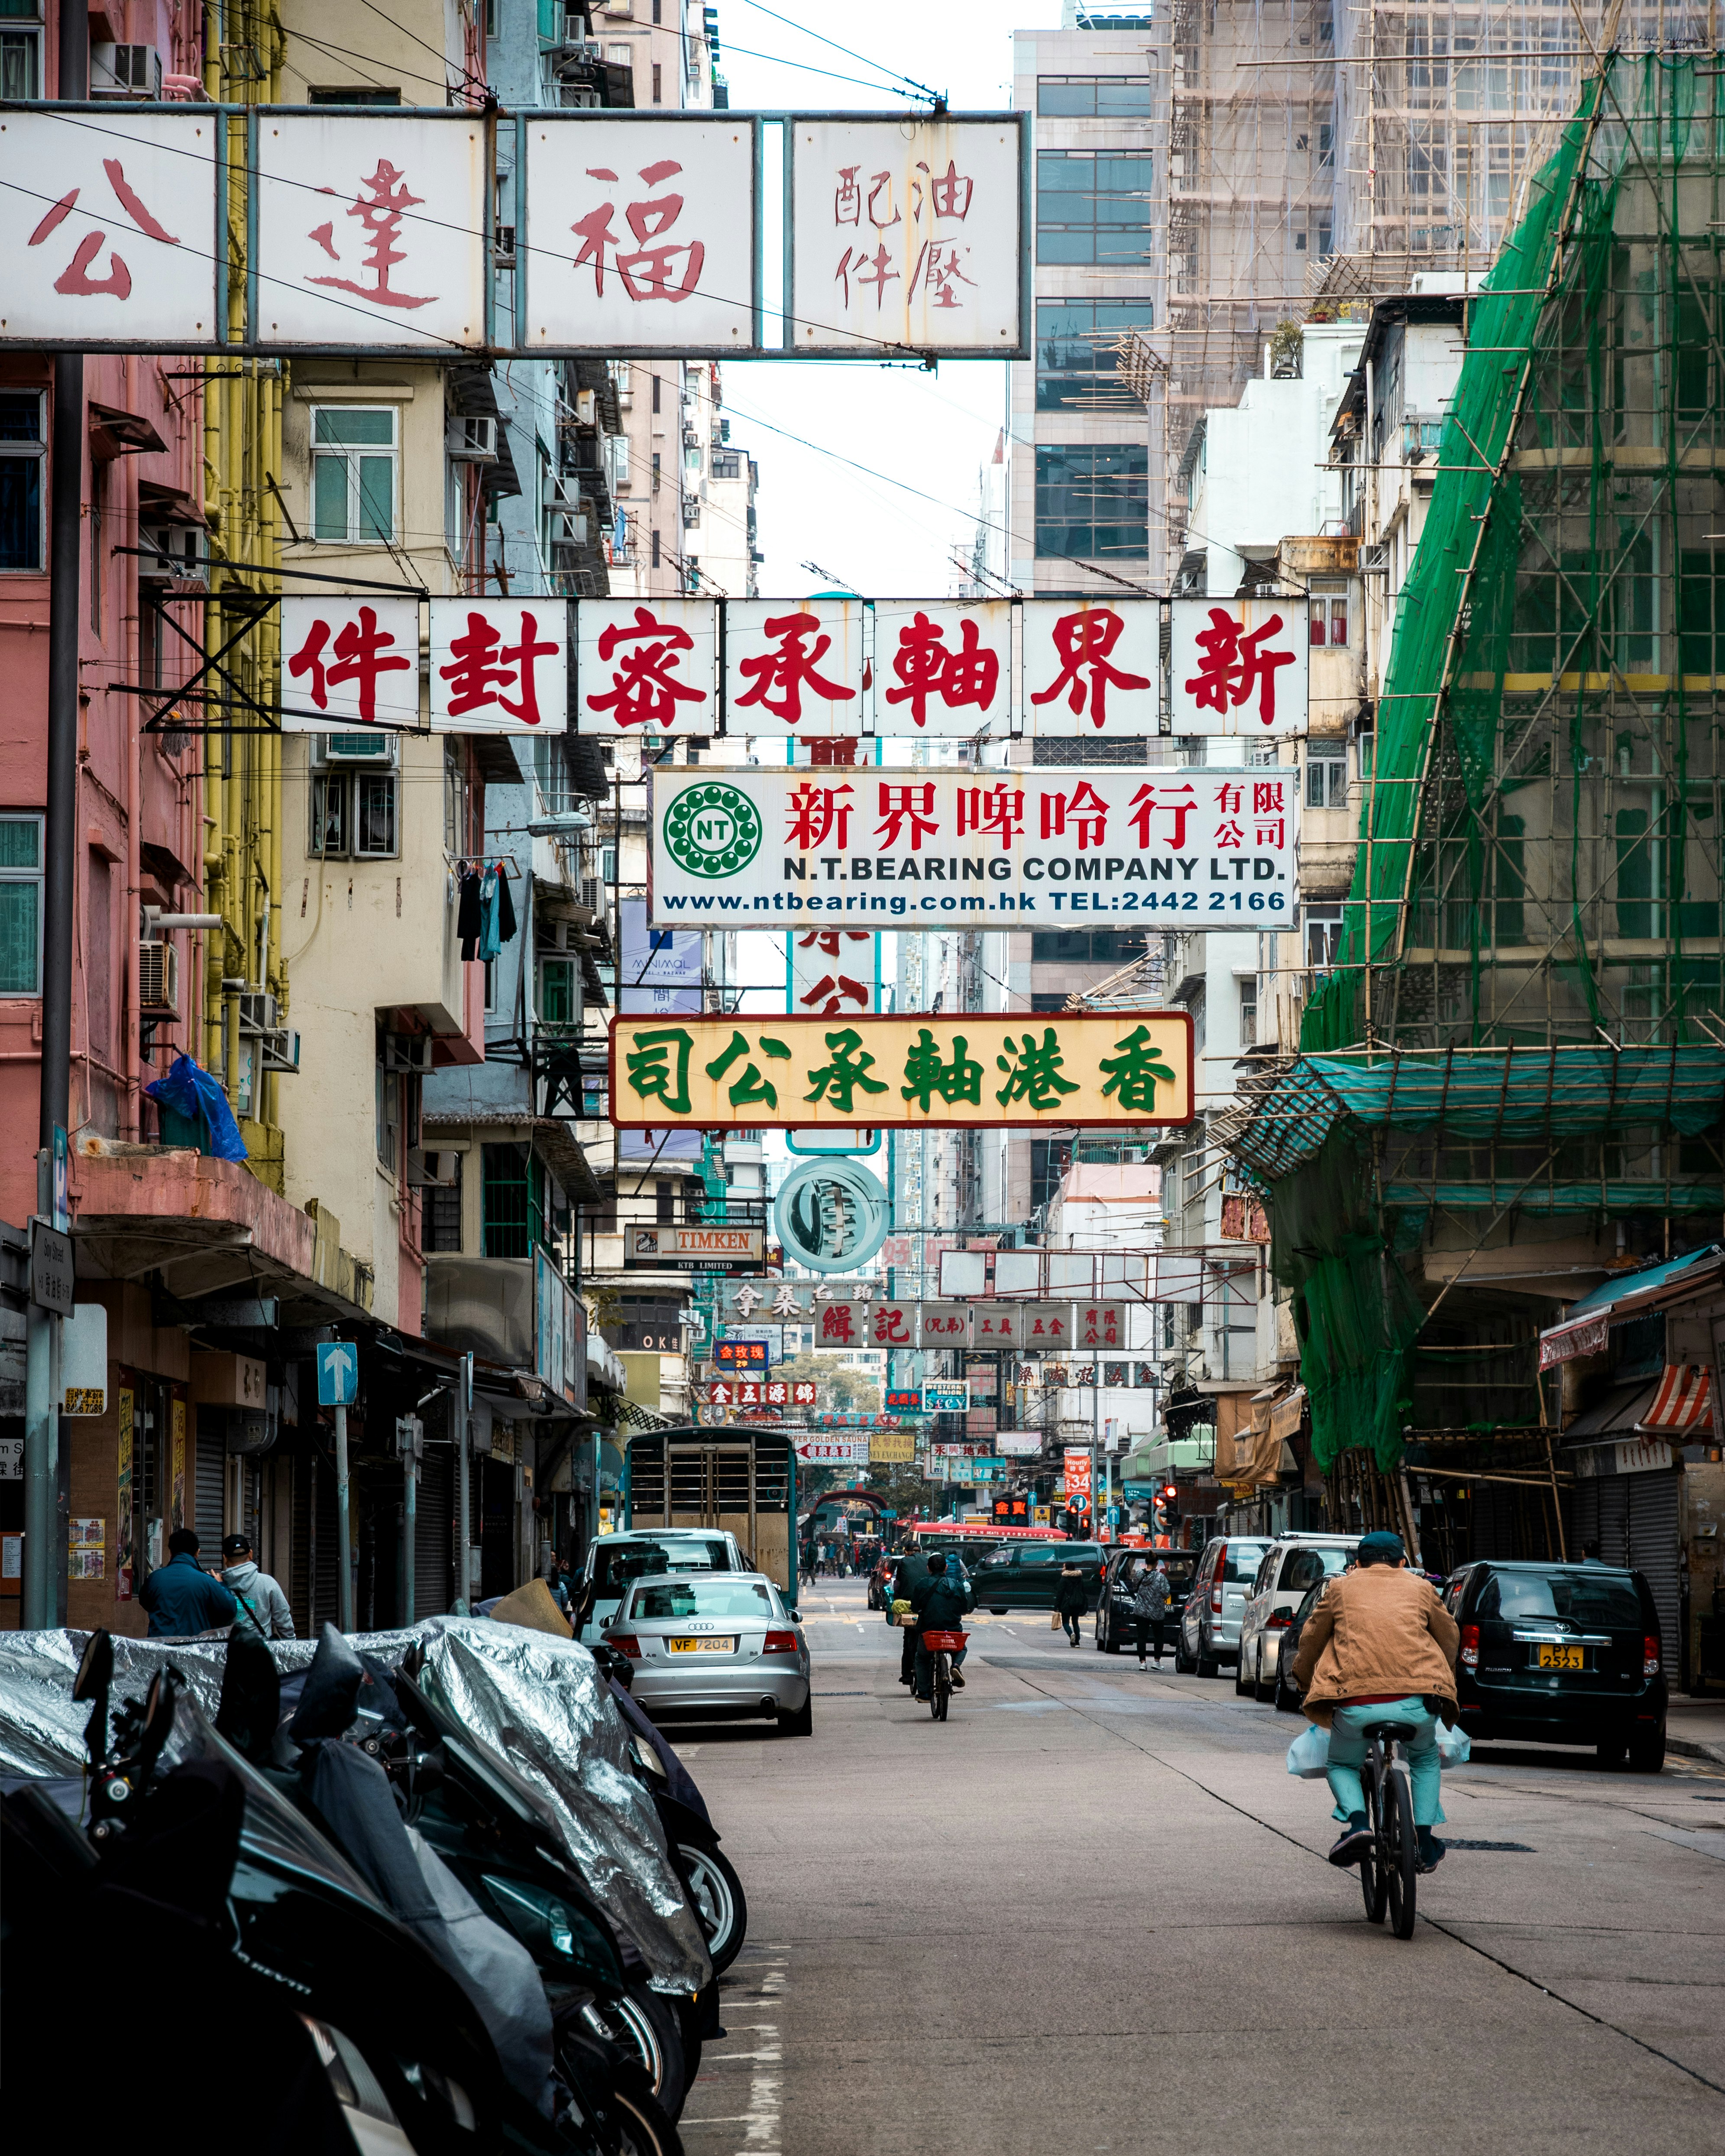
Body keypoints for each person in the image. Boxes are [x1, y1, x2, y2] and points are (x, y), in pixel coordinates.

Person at [1289, 1528, 1460, 1876]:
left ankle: (1357, 1825)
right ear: (1401, 1562)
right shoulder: (1421, 1587)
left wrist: (1304, 1682)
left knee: (1341, 1764)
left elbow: (1311, 1639)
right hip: (1416, 1703)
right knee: (1425, 1760)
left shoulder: (1339, 1588)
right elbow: (1448, 1636)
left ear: (1357, 1562)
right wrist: (1443, 1677)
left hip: (1355, 1703)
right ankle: (1424, 1841)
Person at [141, 1528, 239, 1640]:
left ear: (171, 1552)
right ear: (197, 1552)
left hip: (160, 1647)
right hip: (193, 1647)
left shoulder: (154, 1578)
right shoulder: (208, 1582)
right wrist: (221, 1584)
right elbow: (230, 1609)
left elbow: (145, 1602)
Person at [909, 1552, 974, 1700]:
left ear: (928, 1569)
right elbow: (965, 1609)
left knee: (922, 1658)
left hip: (929, 1633)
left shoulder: (922, 1584)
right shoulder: (957, 1585)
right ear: (946, 1568)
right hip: (952, 1632)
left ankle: (925, 1693)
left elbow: (915, 1607)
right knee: (961, 1648)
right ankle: (956, 1666)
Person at [220, 1533, 296, 1639]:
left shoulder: (218, 1587)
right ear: (251, 1554)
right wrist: (291, 1643)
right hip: (262, 1651)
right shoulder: (268, 1583)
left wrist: (219, 1586)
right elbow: (283, 1618)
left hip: (230, 1653)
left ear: (225, 1558)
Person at [1130, 1556, 1173, 1666]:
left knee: (1141, 1637)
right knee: (1159, 1636)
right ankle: (1156, 1662)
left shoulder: (1139, 1575)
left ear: (1146, 1562)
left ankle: (1143, 1663)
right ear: (1157, 1563)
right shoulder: (1160, 1577)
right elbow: (1166, 1593)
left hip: (1141, 1610)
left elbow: (1134, 1587)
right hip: (1157, 1612)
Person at [1055, 1559, 1089, 1646]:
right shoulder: (1080, 1578)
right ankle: (1077, 1641)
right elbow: (1083, 1591)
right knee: (1075, 1622)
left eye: (1064, 1566)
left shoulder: (1064, 1578)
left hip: (1066, 1604)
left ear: (1067, 1568)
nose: (1063, 1568)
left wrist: (1057, 1606)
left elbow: (1060, 1593)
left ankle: (1071, 1635)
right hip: (1077, 1603)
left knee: (1066, 1623)